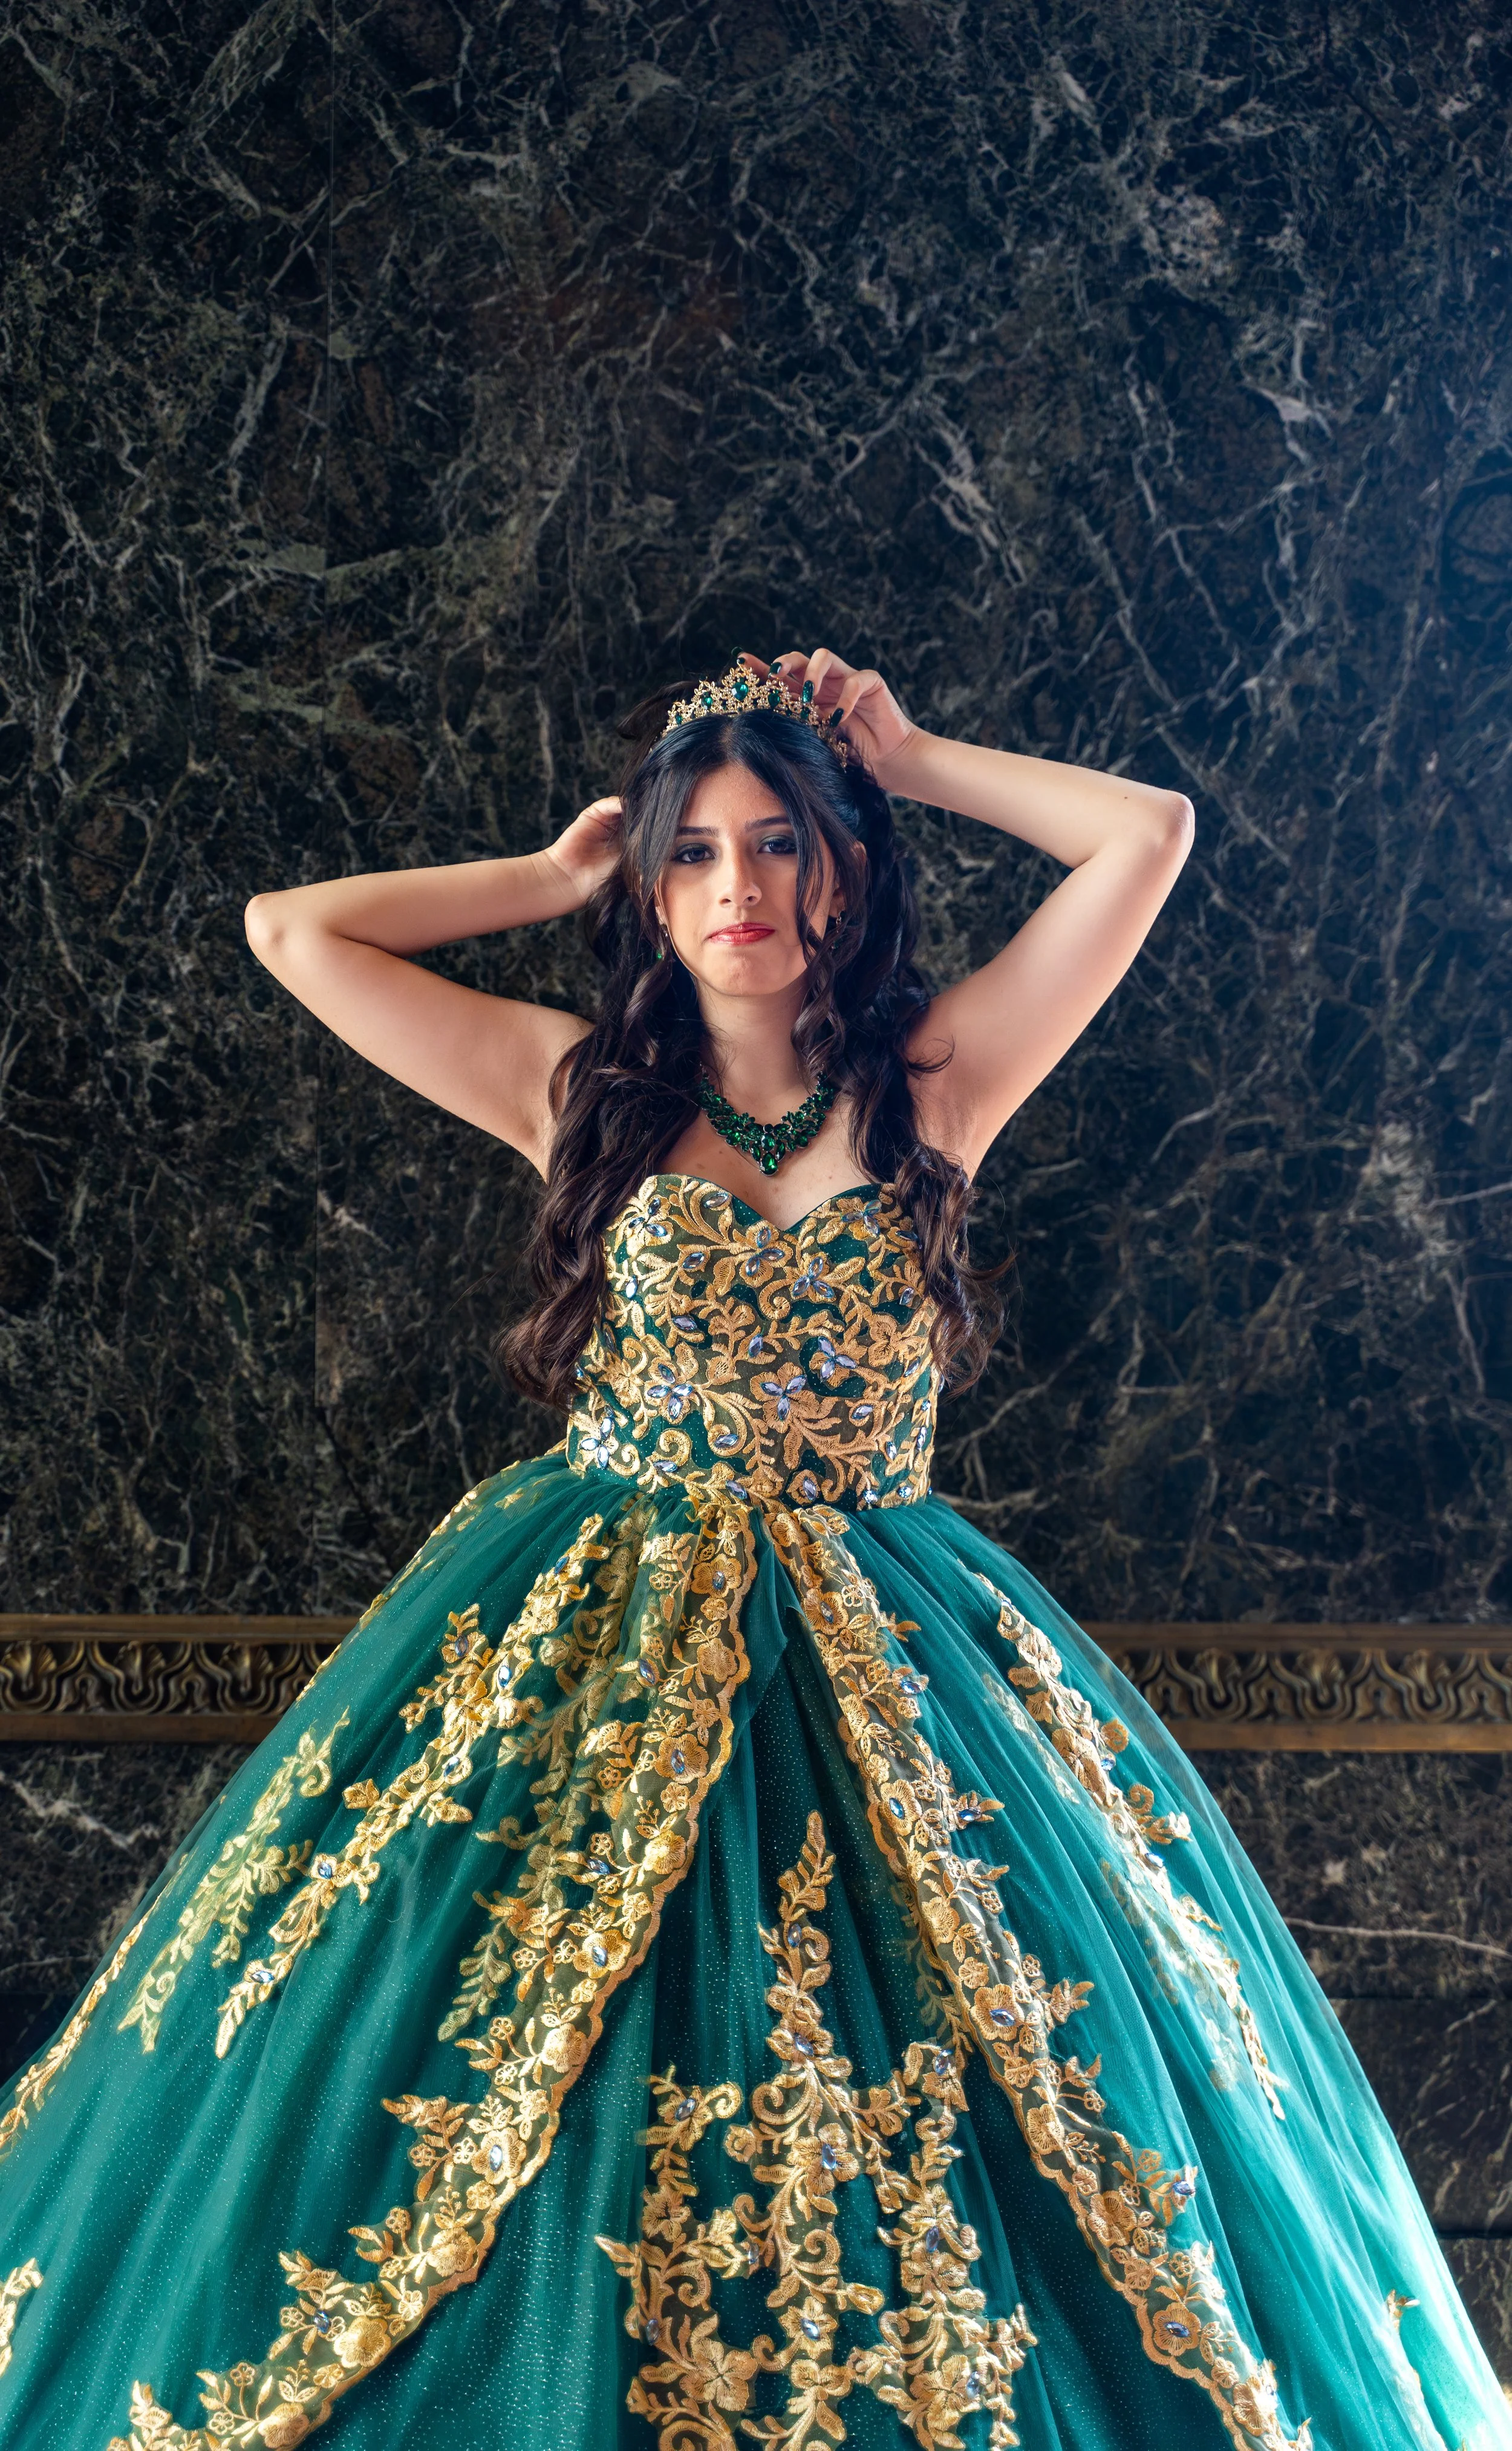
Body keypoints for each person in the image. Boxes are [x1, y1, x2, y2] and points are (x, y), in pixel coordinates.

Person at [0, 650, 1504, 2451]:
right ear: (655, 885)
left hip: (894, 1633)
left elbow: (1148, 835)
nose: (738, 891)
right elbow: (290, 933)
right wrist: (555, 874)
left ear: (837, 874)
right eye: (695, 853)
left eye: (778, 844)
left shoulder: (931, 1082)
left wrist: (916, 756)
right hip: (593, 1628)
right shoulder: (581, 1091)